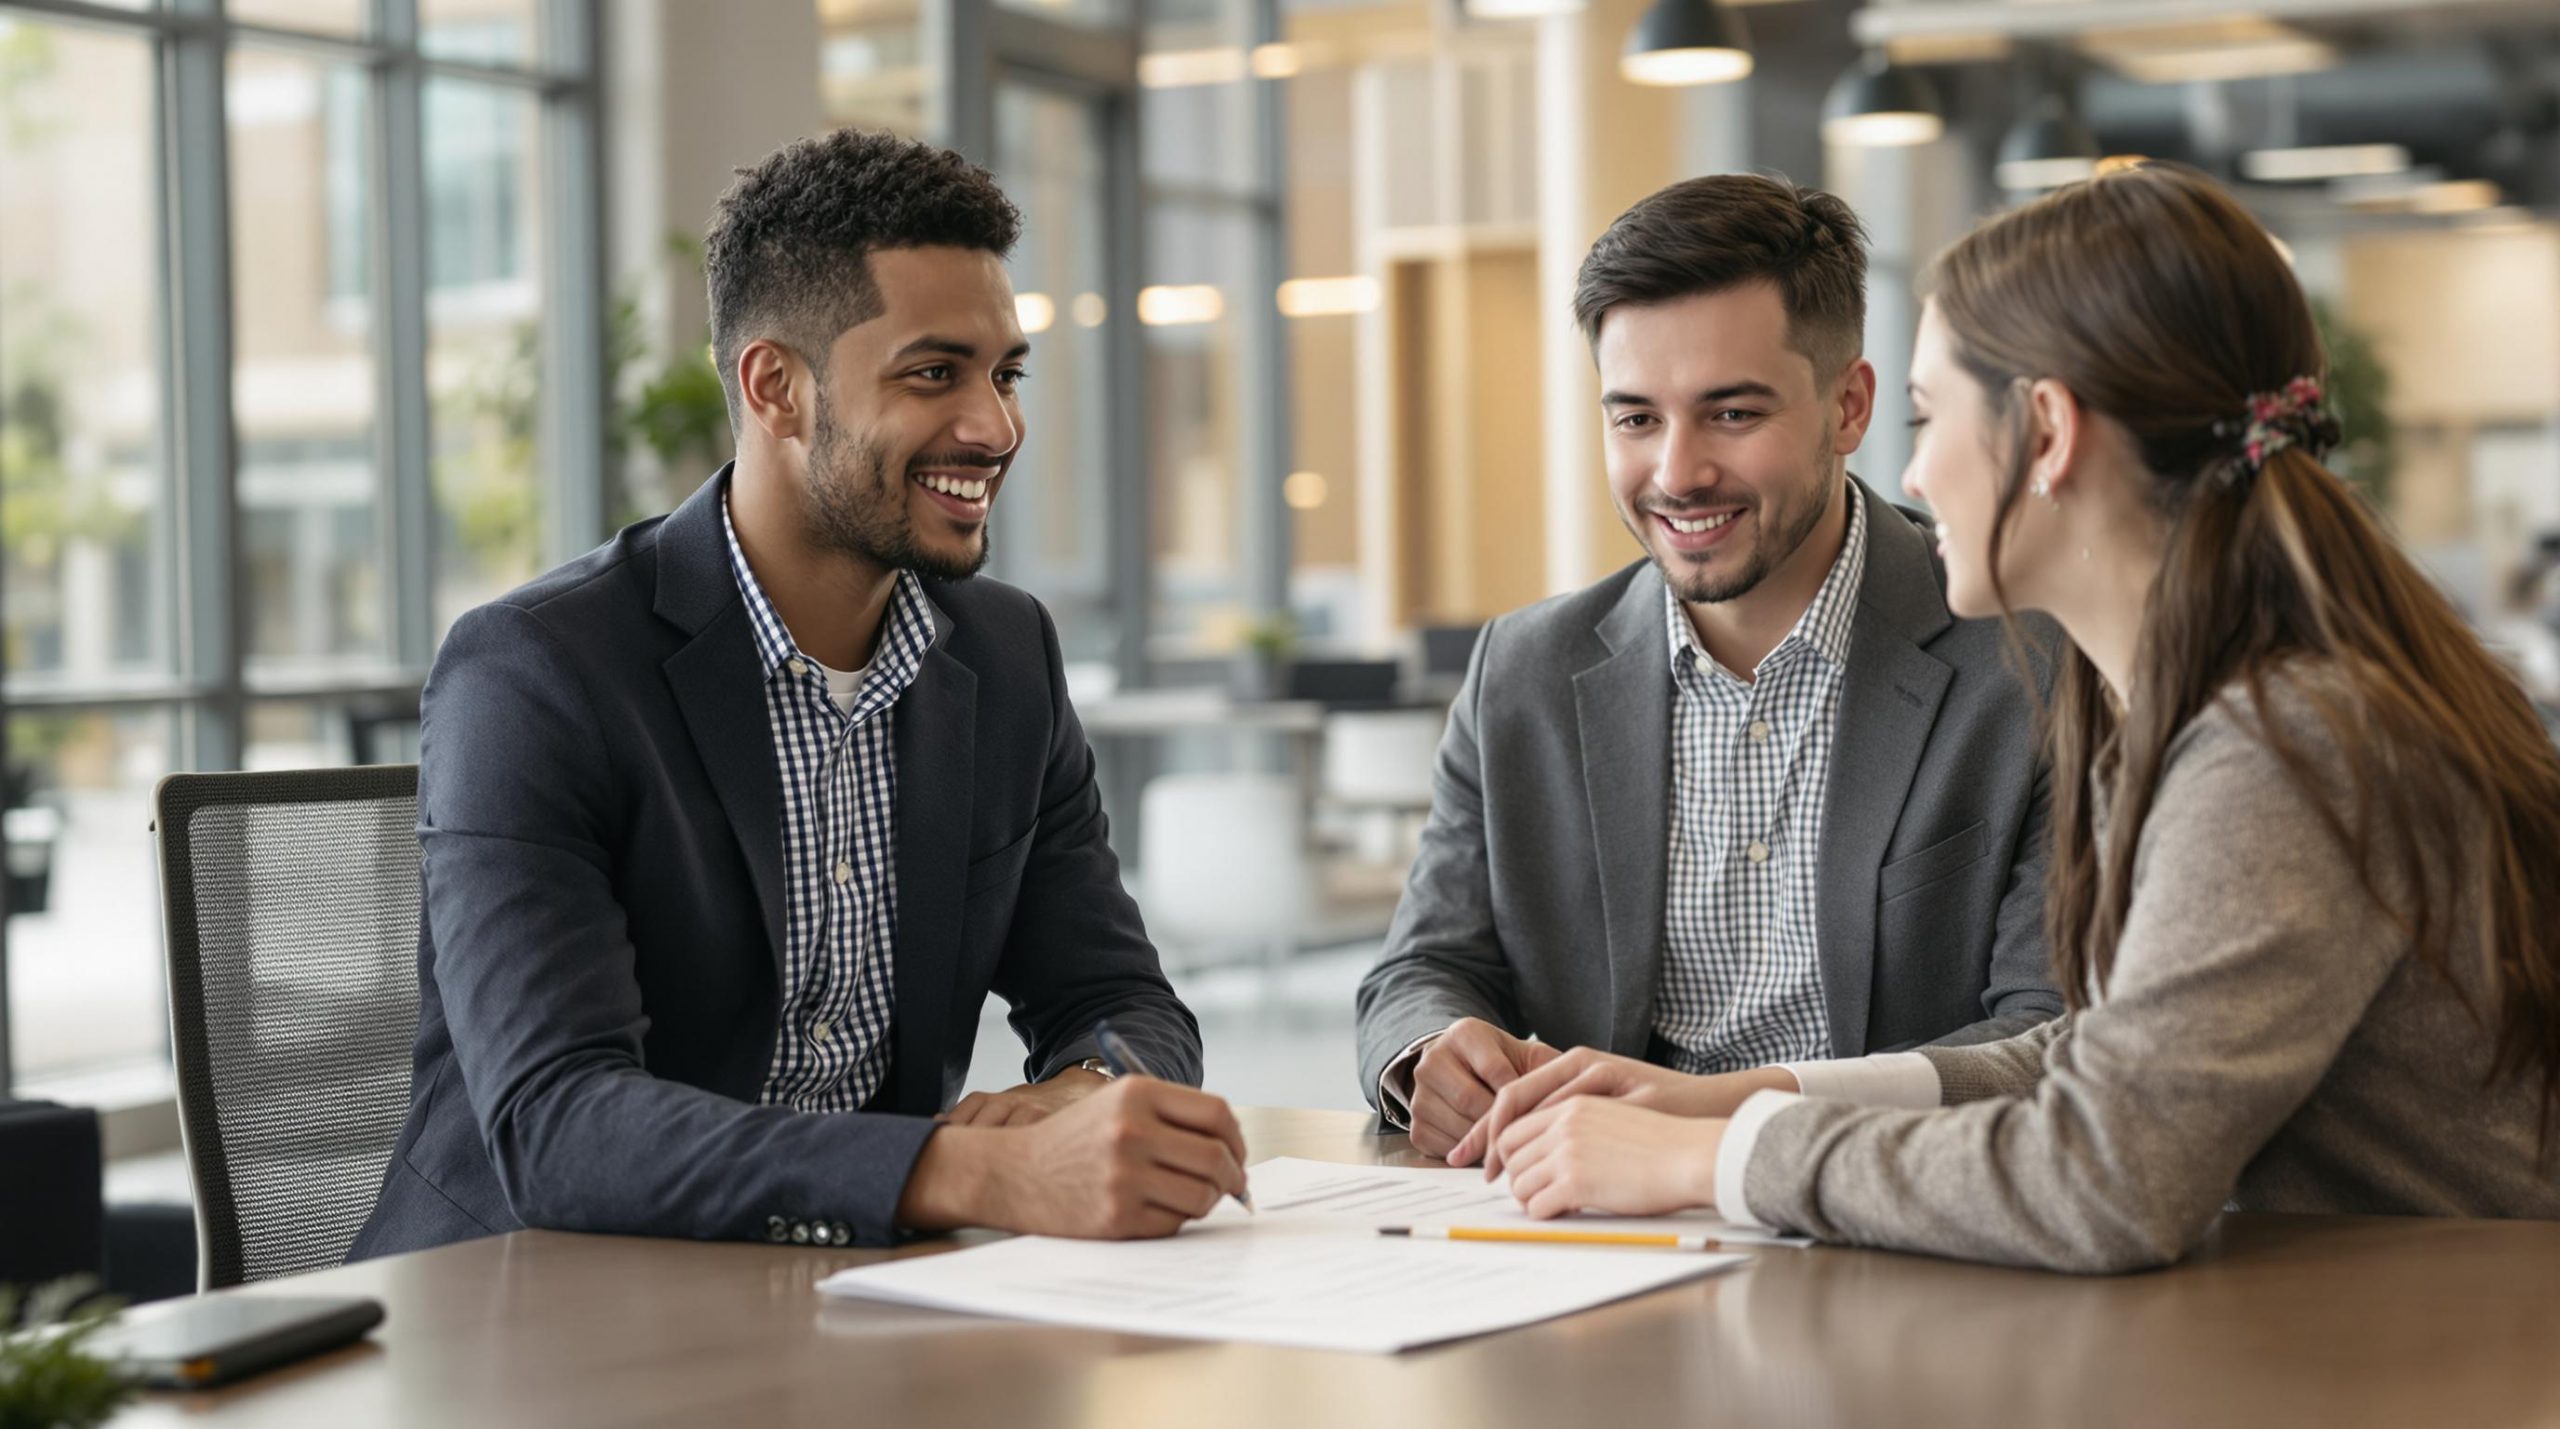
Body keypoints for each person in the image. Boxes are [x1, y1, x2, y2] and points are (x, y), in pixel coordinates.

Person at [1464, 161, 2560, 1271]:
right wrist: (1734, 1097)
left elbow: (2106, 1174)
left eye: (1931, 416)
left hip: (2447, 1349)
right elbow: (2093, 1057)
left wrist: (1712, 1159)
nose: (1909, 470)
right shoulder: (2179, 700)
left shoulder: (2284, 741)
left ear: (2045, 431)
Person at [351, 130, 1245, 1260]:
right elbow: (559, 1120)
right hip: (533, 1304)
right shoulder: (535, 673)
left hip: (851, 1290)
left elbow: (1119, 994)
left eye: (1004, 373)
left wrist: (1082, 1089)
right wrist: (963, 1166)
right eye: (935, 374)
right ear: (775, 386)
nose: (996, 426)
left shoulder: (1005, 654)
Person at [1355, 173, 2063, 1159]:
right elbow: (1418, 968)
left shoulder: (2032, 665)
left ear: (1847, 407)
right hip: (1576, 1231)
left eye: (1731, 415)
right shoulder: (1522, 670)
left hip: (1882, 1225)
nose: (1676, 473)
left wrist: (1731, 1130)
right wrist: (1432, 1049)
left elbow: (2047, 1032)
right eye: (1634, 418)